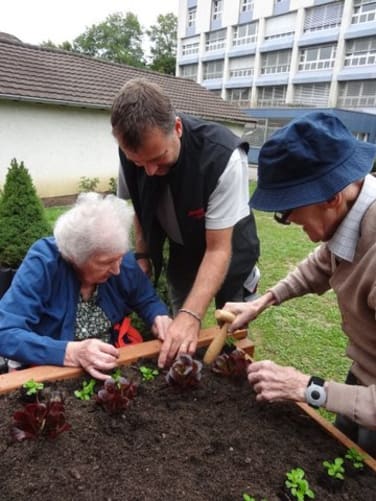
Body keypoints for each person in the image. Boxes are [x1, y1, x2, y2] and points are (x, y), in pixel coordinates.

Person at [224, 111, 376, 456]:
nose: (287, 220)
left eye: (287, 210)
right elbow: (323, 262)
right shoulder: (355, 209)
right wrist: (262, 301)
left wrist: (307, 387)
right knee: (341, 457)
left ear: (331, 198)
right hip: (364, 372)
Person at [111, 78, 260, 368]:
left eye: (158, 158)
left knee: (232, 329)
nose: (150, 171)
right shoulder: (131, 152)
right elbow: (141, 208)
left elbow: (218, 250)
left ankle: (231, 369)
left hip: (230, 251)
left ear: (177, 128)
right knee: (182, 321)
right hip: (183, 249)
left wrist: (192, 316)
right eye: (140, 163)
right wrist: (142, 254)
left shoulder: (222, 156)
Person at [0, 192, 171, 380]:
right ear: (75, 258)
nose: (116, 270)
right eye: (106, 262)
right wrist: (71, 352)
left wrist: (158, 316)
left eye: (120, 257)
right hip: (54, 369)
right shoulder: (44, 263)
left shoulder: (119, 259)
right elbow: (5, 332)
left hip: (112, 363)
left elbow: (146, 299)